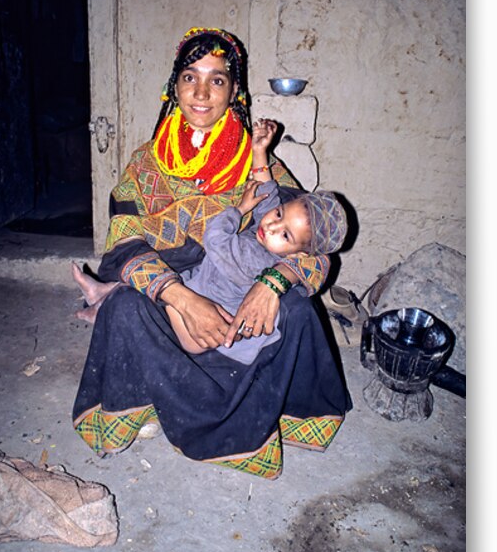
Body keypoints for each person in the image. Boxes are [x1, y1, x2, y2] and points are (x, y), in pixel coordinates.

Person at [72, 26, 352, 479]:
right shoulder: (145, 165)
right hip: (173, 292)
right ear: (174, 86)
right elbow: (122, 243)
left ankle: (271, 414)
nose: (201, 93)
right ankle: (144, 401)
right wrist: (181, 298)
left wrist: (272, 284)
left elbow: (315, 250)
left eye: (217, 79)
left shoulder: (260, 165)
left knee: (297, 310)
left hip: (241, 303)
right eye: (190, 77)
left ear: (234, 91)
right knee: (123, 307)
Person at [73, 118, 348, 366]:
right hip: (206, 282)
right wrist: (259, 151)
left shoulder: (254, 256)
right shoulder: (151, 156)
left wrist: (239, 209)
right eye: (278, 215)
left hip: (208, 326)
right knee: (154, 280)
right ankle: (103, 296)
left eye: (285, 234)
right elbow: (268, 196)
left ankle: (106, 308)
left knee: (153, 297)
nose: (272, 226)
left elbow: (215, 238)